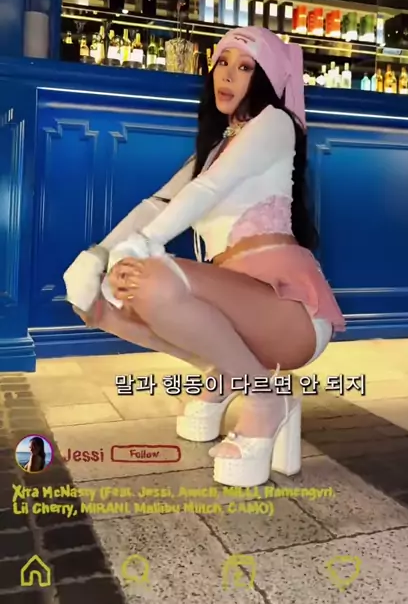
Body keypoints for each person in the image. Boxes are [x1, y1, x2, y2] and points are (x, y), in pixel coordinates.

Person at [64, 26, 345, 487]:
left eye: (244, 66)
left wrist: (143, 247)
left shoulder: (274, 123)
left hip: (290, 312)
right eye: (222, 63)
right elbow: (157, 204)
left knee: (151, 279)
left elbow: (207, 190)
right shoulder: (217, 148)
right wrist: (97, 256)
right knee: (98, 301)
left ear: (265, 79)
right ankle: (228, 374)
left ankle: (266, 399)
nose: (227, 75)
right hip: (241, 309)